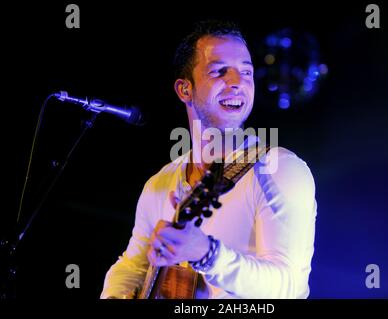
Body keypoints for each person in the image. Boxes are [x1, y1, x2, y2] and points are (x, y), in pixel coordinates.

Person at [100, 20, 317, 299]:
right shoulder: (159, 184)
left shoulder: (281, 169)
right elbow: (131, 266)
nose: (237, 83)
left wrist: (207, 253)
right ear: (184, 89)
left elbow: (288, 288)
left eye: (246, 72)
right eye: (219, 71)